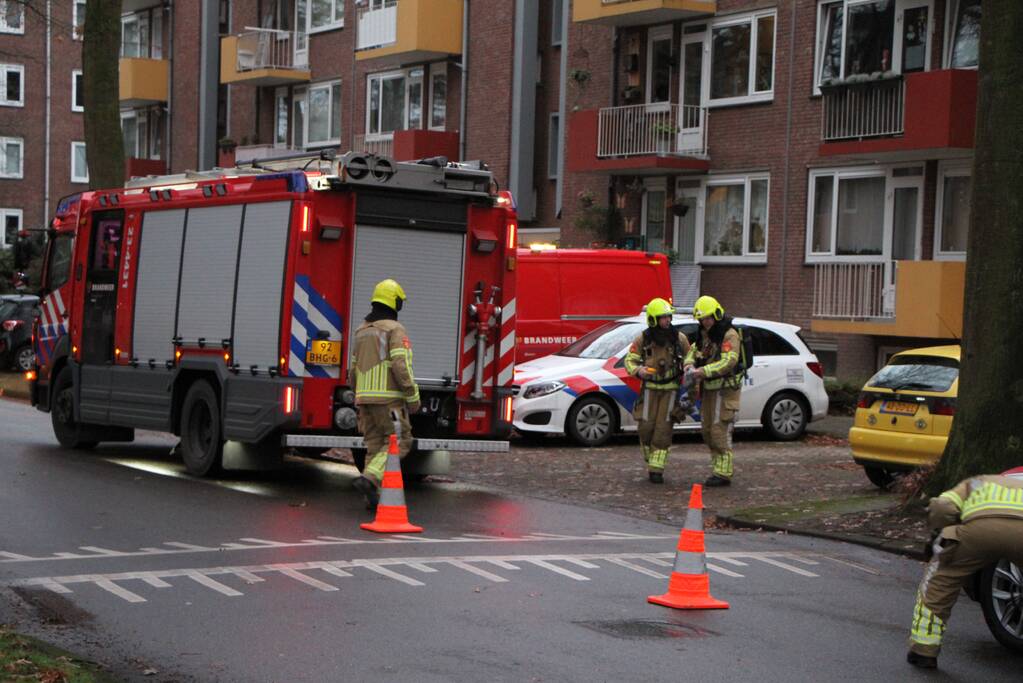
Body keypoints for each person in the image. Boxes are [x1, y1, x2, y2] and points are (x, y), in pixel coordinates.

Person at [907, 472, 1023, 669]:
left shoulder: (975, 483)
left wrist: (938, 532)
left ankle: (923, 651)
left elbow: (942, 507)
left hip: (977, 532)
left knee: (941, 580)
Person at [349, 279, 421, 509]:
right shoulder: (395, 330)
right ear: (394, 302)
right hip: (388, 400)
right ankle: (369, 478)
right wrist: (412, 397)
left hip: (364, 399)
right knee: (399, 441)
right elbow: (401, 365)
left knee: (374, 445)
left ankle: (372, 497)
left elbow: (352, 369)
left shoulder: (361, 331)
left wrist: (357, 394)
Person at [624, 298, 690, 484]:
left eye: (668, 317)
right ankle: (650, 455)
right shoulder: (643, 339)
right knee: (645, 428)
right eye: (663, 318)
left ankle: (656, 470)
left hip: (670, 392)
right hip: (649, 391)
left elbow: (690, 357)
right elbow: (630, 359)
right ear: (653, 319)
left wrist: (689, 369)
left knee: (662, 431)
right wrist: (639, 370)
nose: (667, 321)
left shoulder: (679, 339)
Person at [684, 295, 742, 487]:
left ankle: (724, 473)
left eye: (708, 318)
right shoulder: (705, 335)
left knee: (719, 430)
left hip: (725, 391)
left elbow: (729, 361)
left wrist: (703, 371)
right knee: (707, 430)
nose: (705, 322)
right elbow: (694, 350)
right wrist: (689, 363)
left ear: (716, 315)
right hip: (709, 390)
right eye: (702, 319)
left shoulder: (729, 334)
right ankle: (718, 469)